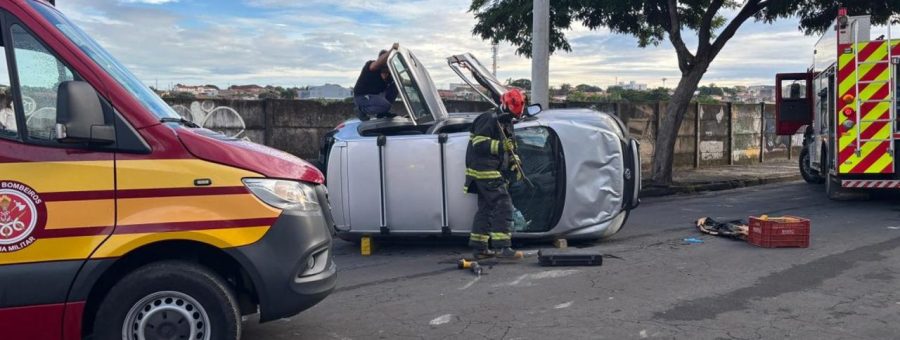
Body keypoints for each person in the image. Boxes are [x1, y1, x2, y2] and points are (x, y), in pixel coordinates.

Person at [463, 89, 527, 259]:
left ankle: (480, 247)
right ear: (504, 105)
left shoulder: (506, 122)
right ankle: (503, 247)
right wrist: (500, 146)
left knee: (486, 209)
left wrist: (516, 164)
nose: (512, 118)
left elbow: (512, 147)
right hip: (484, 171)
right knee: (503, 204)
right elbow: (479, 143)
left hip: (493, 170)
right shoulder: (489, 119)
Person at [353, 43, 400, 121]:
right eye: (385, 61)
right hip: (361, 97)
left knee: (395, 85)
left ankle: (382, 113)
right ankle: (360, 110)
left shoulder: (390, 75)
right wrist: (391, 50)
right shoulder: (371, 66)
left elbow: (402, 81)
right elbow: (377, 64)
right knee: (385, 105)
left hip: (374, 97)